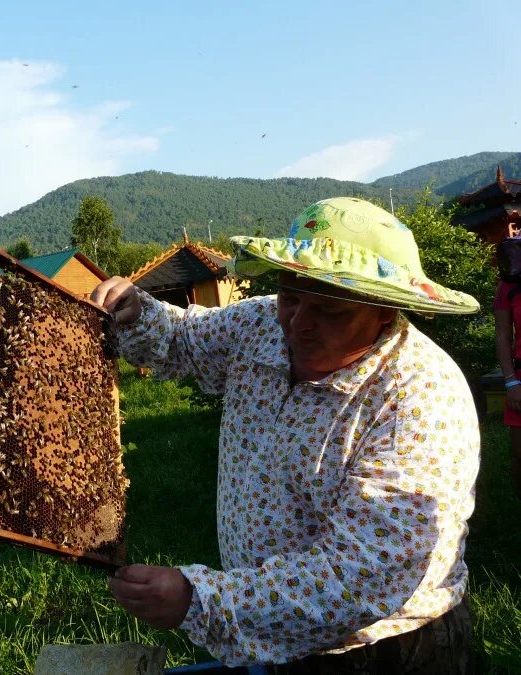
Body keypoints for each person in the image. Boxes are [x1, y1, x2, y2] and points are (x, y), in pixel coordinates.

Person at [90, 197, 481, 673]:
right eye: (290, 297)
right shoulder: (259, 324)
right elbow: (182, 339)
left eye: (329, 312)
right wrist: (138, 312)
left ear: (385, 311)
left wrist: (198, 599)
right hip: (269, 627)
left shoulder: (418, 398)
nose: (297, 323)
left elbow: (362, 575)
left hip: (381, 650)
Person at [493, 272, 521, 498]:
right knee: (519, 452)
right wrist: (511, 381)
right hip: (520, 378)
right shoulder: (510, 280)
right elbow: (502, 336)